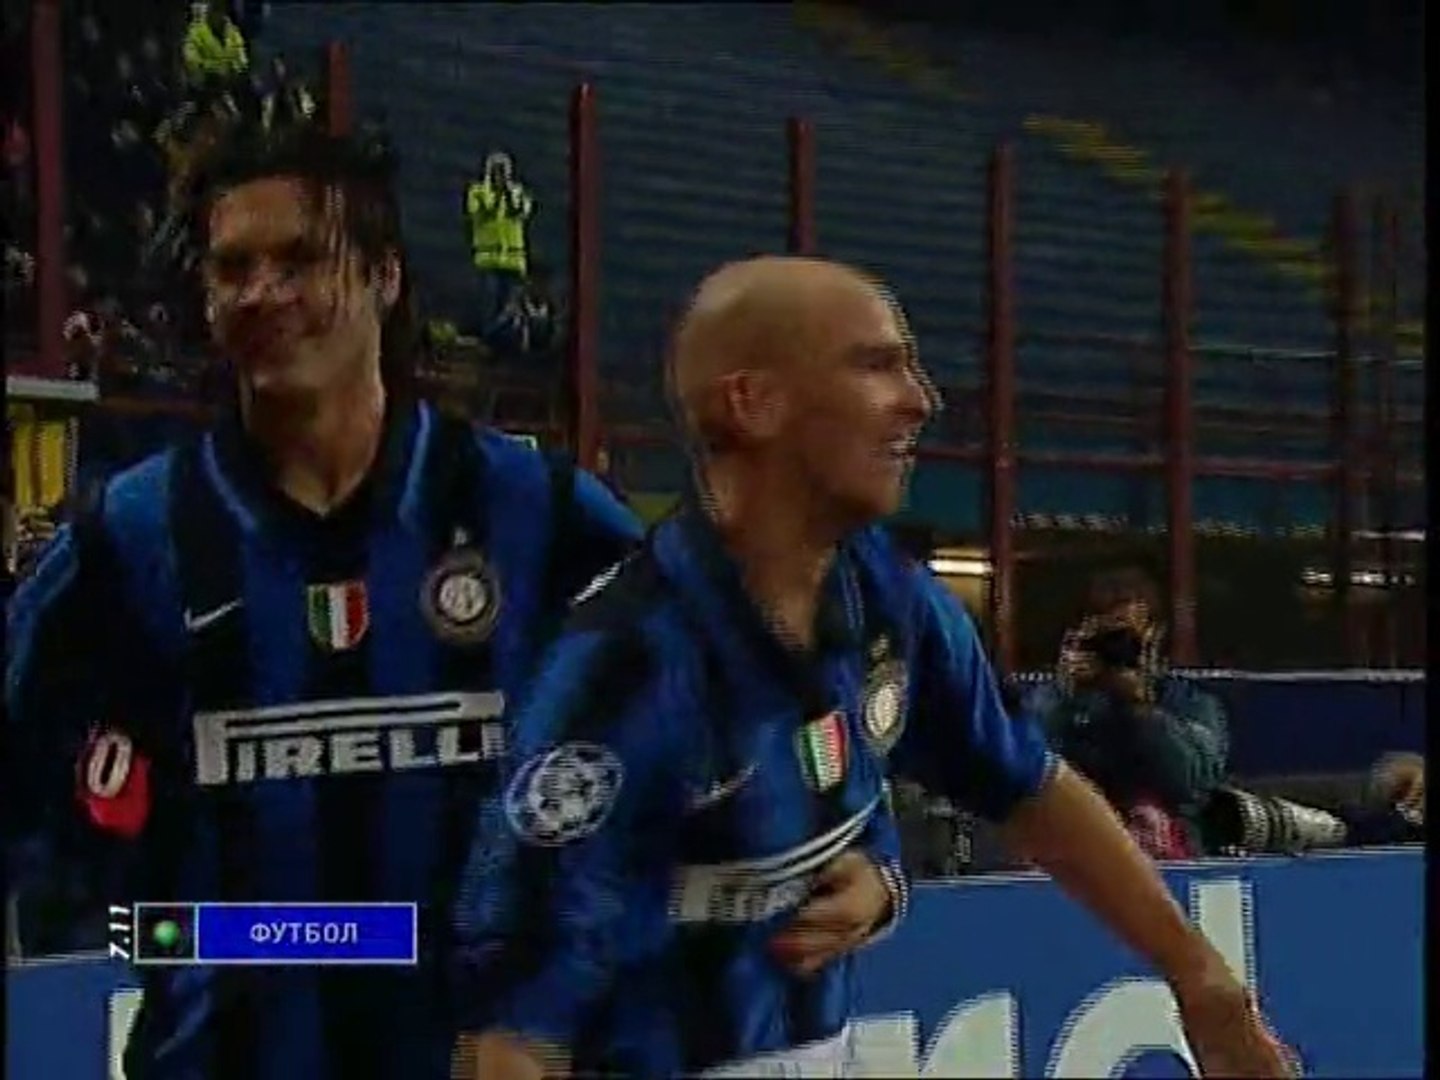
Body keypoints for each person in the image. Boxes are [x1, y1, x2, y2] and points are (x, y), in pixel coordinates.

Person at [455, 256, 1294, 1079]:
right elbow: (515, 1035)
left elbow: (1028, 786)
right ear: (753, 403)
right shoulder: (624, 671)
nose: (921, 401)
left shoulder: (891, 599)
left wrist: (1202, 980)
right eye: (875, 365)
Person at [5, 126, 641, 1079]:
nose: (263, 292)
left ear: (385, 278)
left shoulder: (536, 513)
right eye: (233, 268)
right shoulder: (130, 536)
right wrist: (158, 921)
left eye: (301, 261)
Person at [1030, 567, 1230, 859]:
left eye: (1124, 637)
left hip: (1168, 855)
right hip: (1074, 848)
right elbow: (1027, 774)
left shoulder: (1189, 703)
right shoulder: (1054, 701)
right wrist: (1066, 697)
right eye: (1104, 639)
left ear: (1154, 636)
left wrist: (1140, 708)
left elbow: (1192, 785)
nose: (1115, 649)